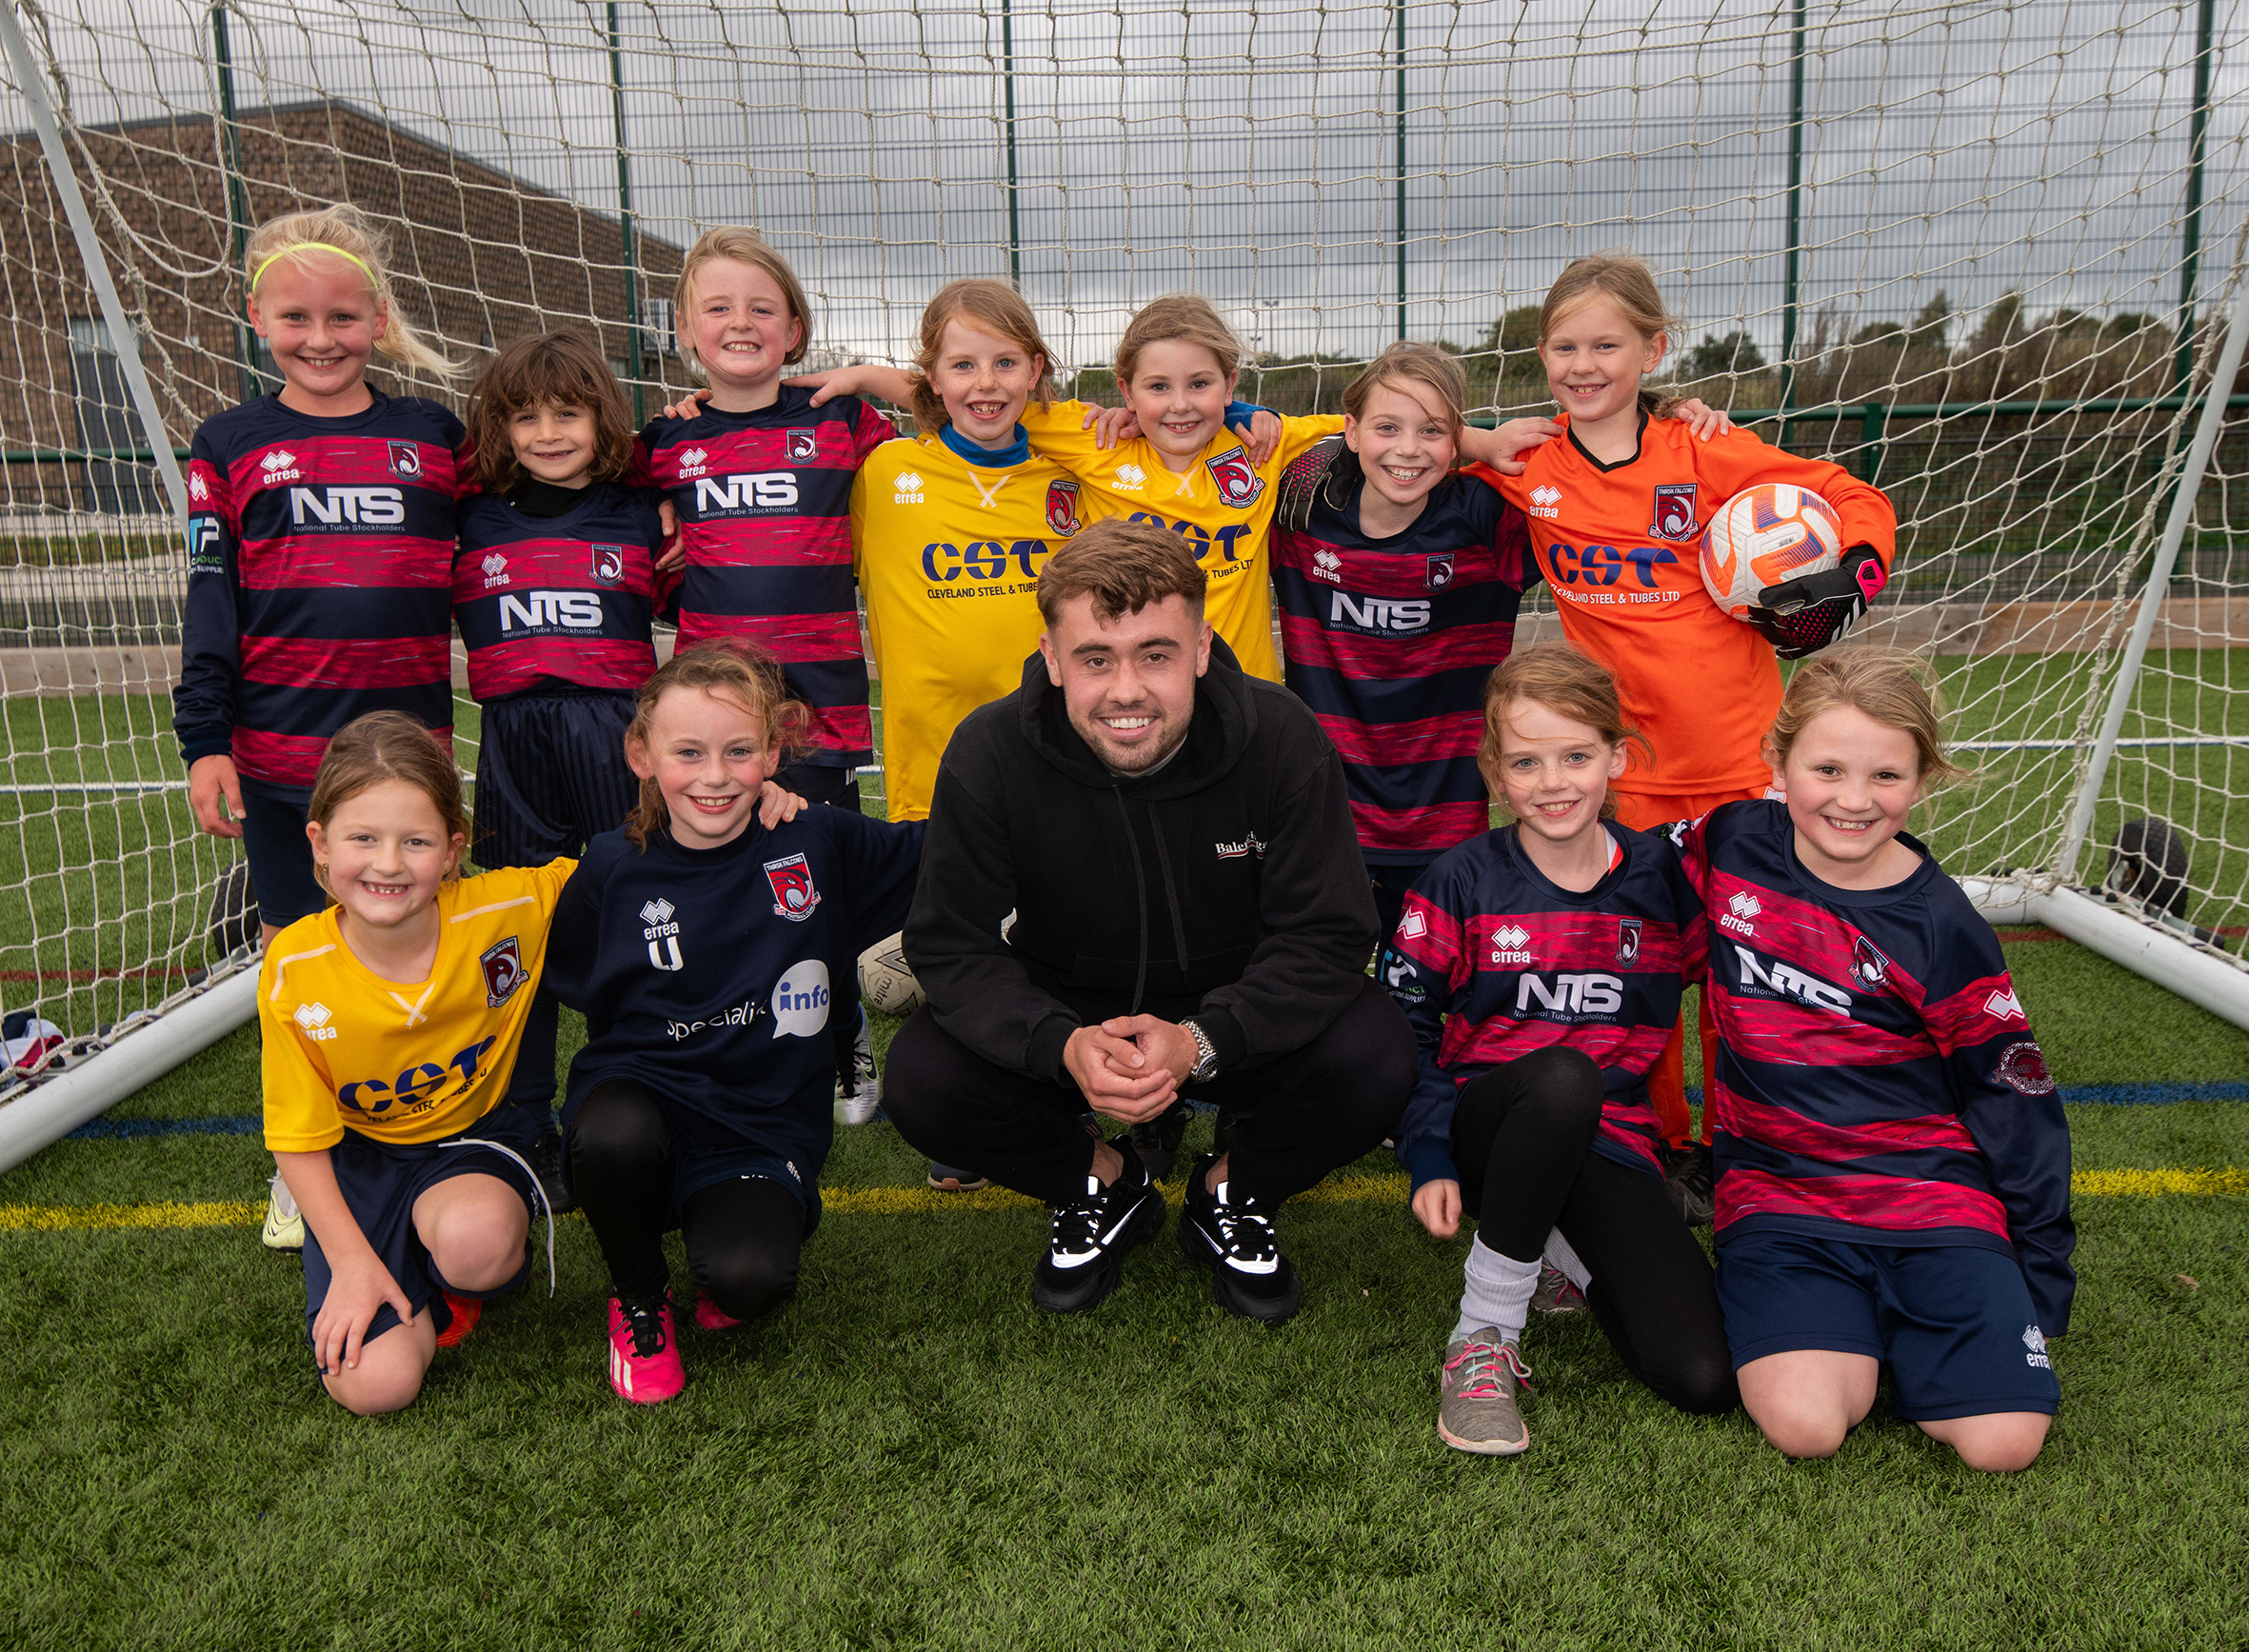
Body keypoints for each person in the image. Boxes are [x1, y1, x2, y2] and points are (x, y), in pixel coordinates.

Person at [882, 517, 1416, 1324]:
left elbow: (1330, 934)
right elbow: (949, 941)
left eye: (1156, 655)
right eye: (1096, 658)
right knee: (923, 1076)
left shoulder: (1281, 737)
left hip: (1231, 1014)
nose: (1126, 690)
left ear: (1202, 648)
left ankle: (1228, 1187)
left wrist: (1202, 1039)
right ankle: (1104, 1179)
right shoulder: (990, 750)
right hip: (1073, 1012)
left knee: (1380, 1052)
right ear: (1053, 658)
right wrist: (1059, 1041)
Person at [1468, 252, 1899, 1221]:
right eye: (1566, 347)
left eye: (1608, 345)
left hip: (1744, 767)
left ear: (1653, 349)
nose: (1585, 365)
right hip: (1628, 779)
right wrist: (1474, 433)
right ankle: (1665, 1149)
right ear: (1540, 356)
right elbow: (1401, 443)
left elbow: (1854, 497)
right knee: (1639, 968)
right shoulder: (1526, 466)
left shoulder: (1707, 452)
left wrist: (1849, 578)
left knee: (1757, 969)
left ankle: (1764, 1138)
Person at [1675, 649, 2073, 1471]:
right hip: (1778, 1192)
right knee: (1807, 1426)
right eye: (1827, 768)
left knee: (2004, 1444)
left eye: (1886, 775)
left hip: (1927, 1193)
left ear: (1921, 779)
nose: (1853, 800)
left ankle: (1921, 1322)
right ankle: (1851, 1330)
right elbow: (1621, 880)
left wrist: (2039, 1270)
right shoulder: (1731, 840)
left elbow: (2013, 1100)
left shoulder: (1942, 926)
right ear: (1776, 765)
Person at [175, 203, 468, 1252]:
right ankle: (304, 1159)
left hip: (409, 768)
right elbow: (211, 597)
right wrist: (204, 738)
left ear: (377, 317)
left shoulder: (434, 438)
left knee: (410, 946)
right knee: (300, 961)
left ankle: (425, 1127)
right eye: (295, 316)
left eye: (343, 316)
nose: (321, 337)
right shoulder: (230, 443)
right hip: (283, 759)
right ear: (258, 317)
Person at [543, 643, 922, 1404]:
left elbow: (944, 848)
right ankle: (639, 1293)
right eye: (689, 752)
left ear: (774, 751)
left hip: (759, 1126)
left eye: (739, 751)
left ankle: (724, 1226)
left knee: (751, 1280)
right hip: (643, 1098)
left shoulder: (814, 839)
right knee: (611, 1135)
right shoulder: (614, 868)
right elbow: (575, 982)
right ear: (641, 753)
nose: (715, 776)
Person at [1384, 644, 1737, 1455]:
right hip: (1492, 1127)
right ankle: (1482, 1337)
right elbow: (1404, 1030)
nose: (1554, 783)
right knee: (1564, 1077)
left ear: (1617, 756)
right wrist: (1432, 1155)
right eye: (1527, 761)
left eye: (1577, 755)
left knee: (1703, 1376)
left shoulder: (1663, 880)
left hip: (1609, 1141)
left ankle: (1561, 1251)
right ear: (1495, 770)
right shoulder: (1460, 881)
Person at [632, 228, 893, 1120]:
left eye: (761, 308)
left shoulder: (839, 419)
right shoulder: (662, 445)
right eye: (718, 307)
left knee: (816, 885)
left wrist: (859, 375)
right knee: (719, 884)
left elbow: (937, 402)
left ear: (793, 329)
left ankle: (844, 1034)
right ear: (684, 330)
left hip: (817, 707)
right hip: (711, 715)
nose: (739, 322)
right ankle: (727, 1041)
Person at [258, 712, 571, 1416]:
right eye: (363, 837)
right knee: (378, 1385)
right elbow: (298, 1136)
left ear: (453, 850)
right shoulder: (296, 969)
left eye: (417, 840)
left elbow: (631, 867)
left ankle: (457, 1275)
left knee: (476, 1241)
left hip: (470, 1144)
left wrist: (763, 807)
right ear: (320, 841)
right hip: (360, 1164)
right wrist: (351, 1262)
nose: (389, 863)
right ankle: (406, 1290)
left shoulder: (506, 911)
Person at [842, 279, 1084, 1184]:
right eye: (962, 364)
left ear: (1037, 372)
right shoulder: (884, 475)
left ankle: (1062, 1096)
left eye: (1005, 362)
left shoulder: (1071, 477)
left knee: (1058, 940)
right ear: (931, 379)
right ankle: (978, 1117)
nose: (985, 382)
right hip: (934, 769)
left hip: (1056, 760)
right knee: (961, 949)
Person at [453, 330, 669, 1205]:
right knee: (518, 936)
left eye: (567, 412)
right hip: (512, 742)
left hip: (619, 736)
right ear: (497, 431)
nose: (546, 432)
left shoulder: (642, 508)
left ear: (602, 418)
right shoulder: (469, 515)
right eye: (524, 417)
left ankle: (646, 1101)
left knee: (637, 924)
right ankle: (524, 1130)